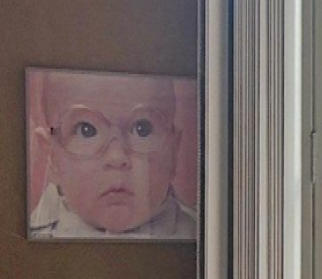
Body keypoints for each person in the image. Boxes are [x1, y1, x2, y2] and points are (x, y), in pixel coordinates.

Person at [29, 71, 196, 239]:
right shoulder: (26, 241)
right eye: (87, 130)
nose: (117, 157)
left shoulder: (203, 237)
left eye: (142, 129)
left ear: (173, 151)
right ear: (52, 157)